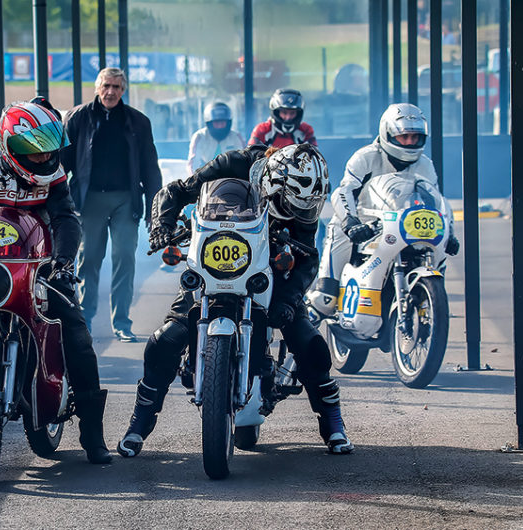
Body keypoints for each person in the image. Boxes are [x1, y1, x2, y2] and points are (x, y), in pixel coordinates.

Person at [117, 142, 355, 458]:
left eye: (307, 206)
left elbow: (309, 257)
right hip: (213, 260)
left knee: (308, 341)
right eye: (294, 204)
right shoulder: (233, 163)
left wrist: (287, 300)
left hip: (269, 268)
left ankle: (333, 423)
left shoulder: (302, 204)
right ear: (273, 185)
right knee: (166, 339)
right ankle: (138, 423)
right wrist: (161, 226)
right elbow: (174, 192)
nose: (301, 213)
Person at [0, 102, 112, 466]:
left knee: (75, 331)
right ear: (10, 144)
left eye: (47, 146)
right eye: (33, 147)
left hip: (40, 266)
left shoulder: (54, 172)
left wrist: (62, 262)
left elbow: (66, 218)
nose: (42, 155)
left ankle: (93, 434)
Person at [308, 103, 460, 317]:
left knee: (437, 251)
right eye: (404, 137)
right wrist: (351, 222)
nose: (409, 142)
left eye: (414, 137)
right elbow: (344, 192)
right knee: (325, 300)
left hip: (404, 225)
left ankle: (428, 302)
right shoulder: (365, 157)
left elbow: (438, 200)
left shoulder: (425, 164)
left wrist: (450, 233)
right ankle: (313, 317)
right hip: (363, 223)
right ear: (387, 133)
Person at [61, 67, 163, 342]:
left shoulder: (138, 122)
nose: (110, 92)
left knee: (125, 260)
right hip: (89, 198)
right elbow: (63, 163)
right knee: (89, 260)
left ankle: (122, 322)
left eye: (117, 87)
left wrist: (157, 210)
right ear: (97, 87)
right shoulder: (78, 118)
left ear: (123, 90)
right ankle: (85, 321)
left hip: (125, 199)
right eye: (106, 86)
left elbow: (150, 168)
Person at [187, 101, 245, 173]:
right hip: (205, 174)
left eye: (223, 122)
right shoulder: (199, 137)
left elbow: (243, 160)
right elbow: (193, 162)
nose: (220, 126)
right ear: (209, 123)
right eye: (217, 123)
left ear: (228, 123)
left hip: (231, 176)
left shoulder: (236, 137)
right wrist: (194, 180)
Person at [248, 88, 317, 148]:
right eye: (284, 112)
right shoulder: (262, 130)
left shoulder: (306, 130)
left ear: (298, 114)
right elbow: (251, 156)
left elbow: (314, 157)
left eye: (292, 113)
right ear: (276, 112)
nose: (288, 117)